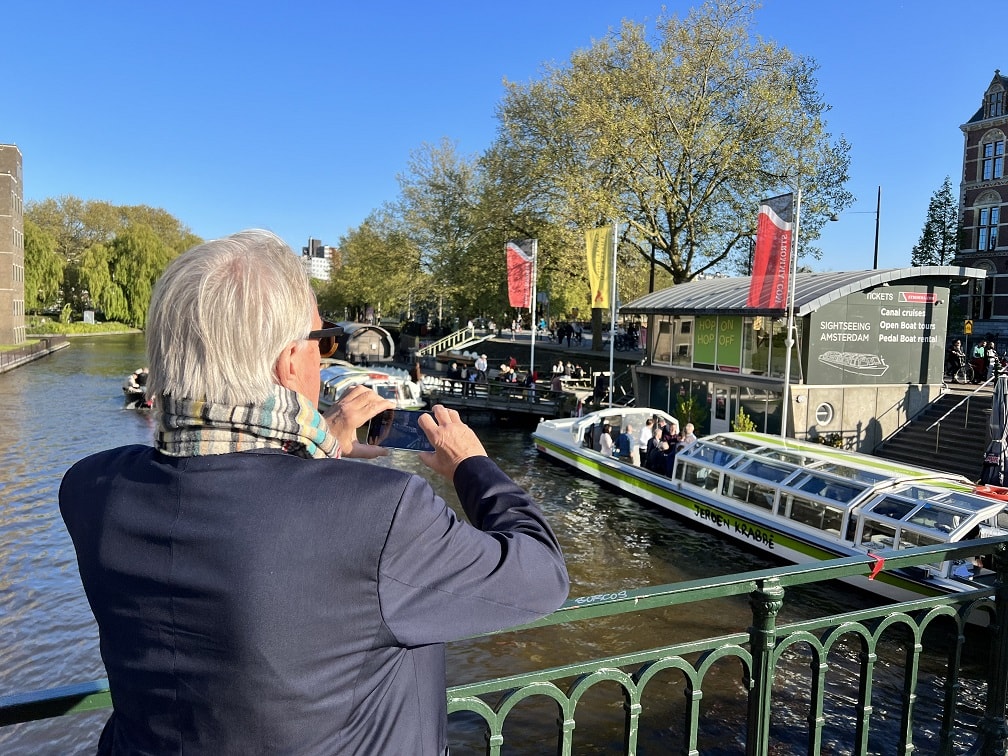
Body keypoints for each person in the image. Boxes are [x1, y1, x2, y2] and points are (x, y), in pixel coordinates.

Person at [58, 230, 569, 756]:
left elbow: (243, 508)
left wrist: (314, 451)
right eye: (323, 341)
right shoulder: (382, 513)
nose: (326, 356)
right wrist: (472, 466)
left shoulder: (91, 491)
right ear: (288, 361)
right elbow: (540, 576)